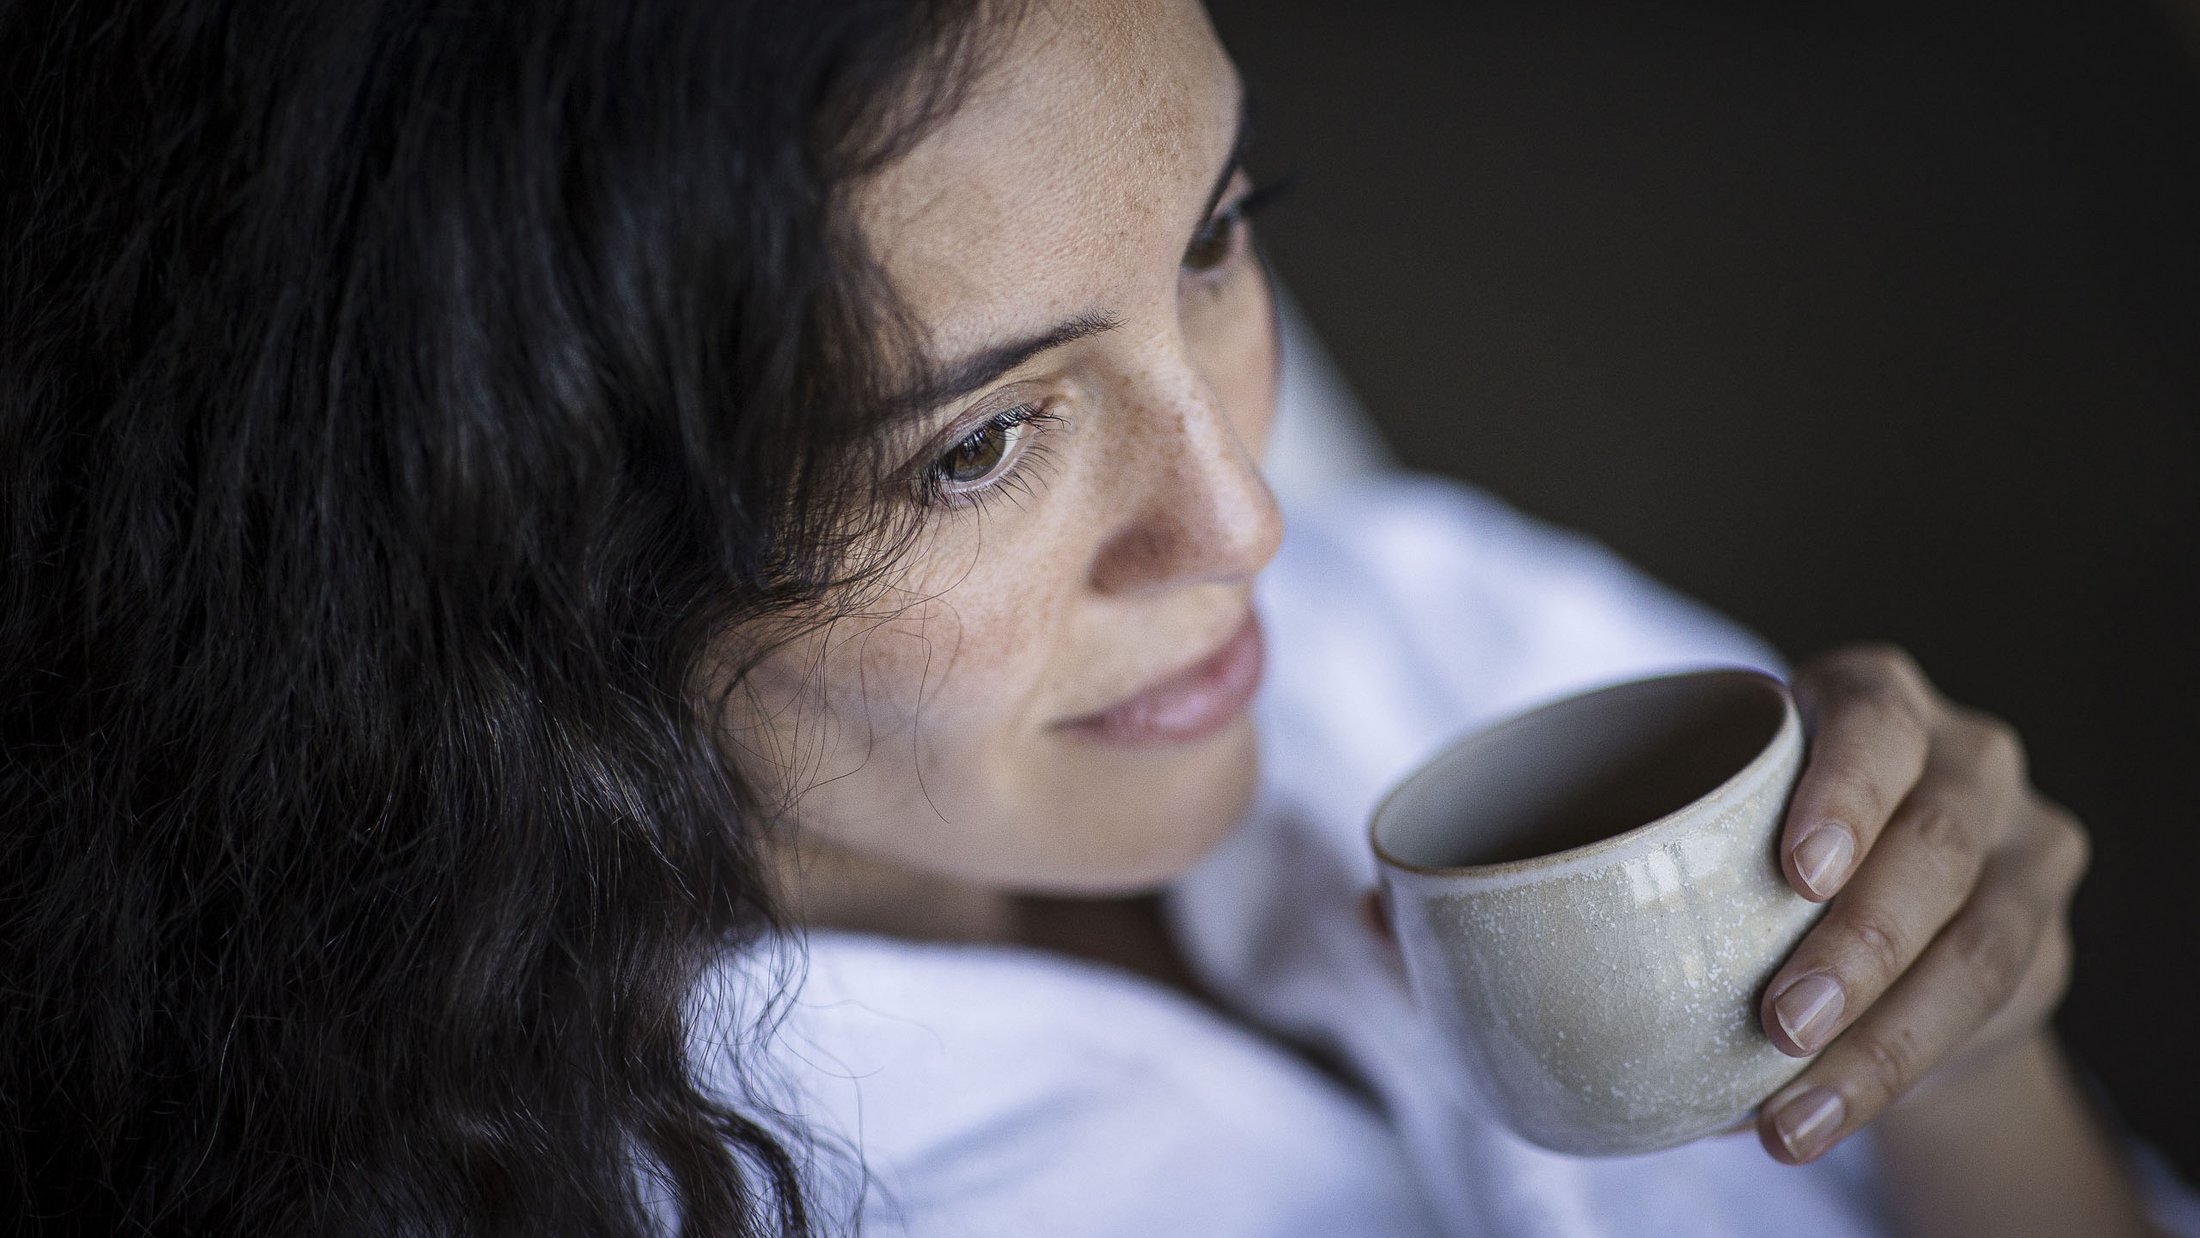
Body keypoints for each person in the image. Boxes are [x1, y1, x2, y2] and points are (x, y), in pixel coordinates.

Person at [1, 1, 2190, 1235]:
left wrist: (1966, 1070)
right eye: (973, 445)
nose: (1242, 517)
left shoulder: (1423, 628)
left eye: (1217, 239)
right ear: (499, 557)